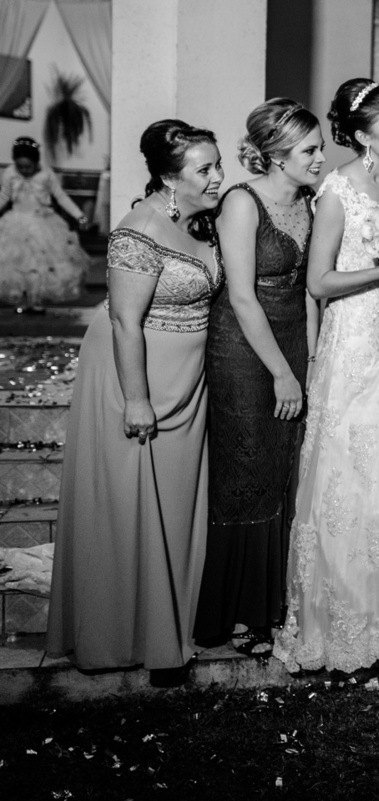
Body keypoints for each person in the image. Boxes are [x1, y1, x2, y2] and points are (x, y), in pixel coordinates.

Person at [47, 120, 225, 687]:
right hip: (136, 377)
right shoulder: (138, 228)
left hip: (187, 381)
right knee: (129, 506)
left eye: (218, 164)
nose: (219, 176)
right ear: (170, 177)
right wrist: (137, 399)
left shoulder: (199, 223)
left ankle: (171, 627)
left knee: (172, 507)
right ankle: (124, 638)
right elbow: (126, 320)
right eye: (206, 169)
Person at [272, 78, 379, 677]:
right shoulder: (336, 189)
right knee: (351, 476)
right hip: (351, 340)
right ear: (363, 134)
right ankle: (339, 627)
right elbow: (318, 282)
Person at [193, 99, 326, 656]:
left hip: (294, 332)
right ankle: (239, 616)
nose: (321, 158)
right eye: (309, 150)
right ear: (275, 156)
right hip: (244, 348)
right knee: (246, 465)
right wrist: (281, 374)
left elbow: (313, 287)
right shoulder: (241, 203)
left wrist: (313, 362)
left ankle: (275, 605)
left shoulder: (314, 204)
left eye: (320, 147)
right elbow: (242, 295)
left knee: (284, 463)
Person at [0, 136, 91, 312]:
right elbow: (4, 196)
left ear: (36, 162)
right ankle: (22, 299)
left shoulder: (46, 174)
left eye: (28, 166)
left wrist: (79, 216)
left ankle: (36, 299)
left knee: (39, 265)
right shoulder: (10, 173)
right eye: (20, 167)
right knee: (18, 264)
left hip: (42, 222)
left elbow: (61, 197)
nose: (24, 171)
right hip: (16, 222)